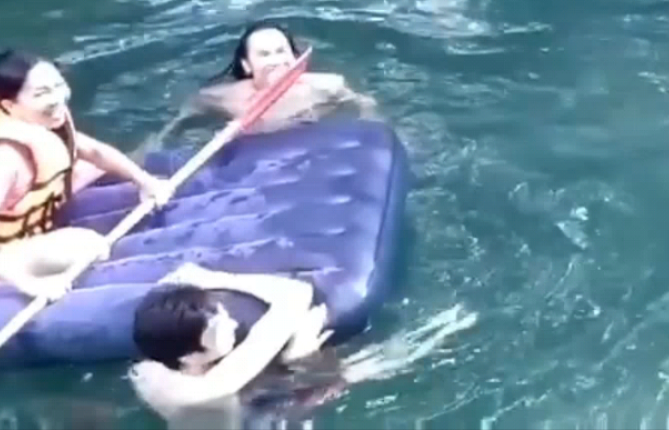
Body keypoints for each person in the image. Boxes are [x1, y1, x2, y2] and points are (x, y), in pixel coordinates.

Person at [129, 263, 475, 429]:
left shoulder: (150, 367)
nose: (233, 321)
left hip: (232, 408)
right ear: (191, 355)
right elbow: (295, 295)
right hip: (250, 420)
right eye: (219, 327)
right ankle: (446, 331)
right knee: (322, 361)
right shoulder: (201, 391)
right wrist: (221, 279)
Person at [0, 49, 172, 300]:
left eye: (58, 85)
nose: (57, 98)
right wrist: (29, 284)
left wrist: (145, 181)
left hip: (29, 232)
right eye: (41, 94)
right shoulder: (7, 157)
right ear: (9, 105)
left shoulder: (41, 125)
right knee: (87, 245)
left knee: (98, 169)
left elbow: (93, 150)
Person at [143, 23, 376, 153]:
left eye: (281, 52)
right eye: (264, 55)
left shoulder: (327, 86)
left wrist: (373, 139)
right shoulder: (220, 98)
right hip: (249, 153)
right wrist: (151, 150)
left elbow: (365, 106)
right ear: (247, 65)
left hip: (312, 146)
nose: (275, 60)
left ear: (294, 57)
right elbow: (178, 124)